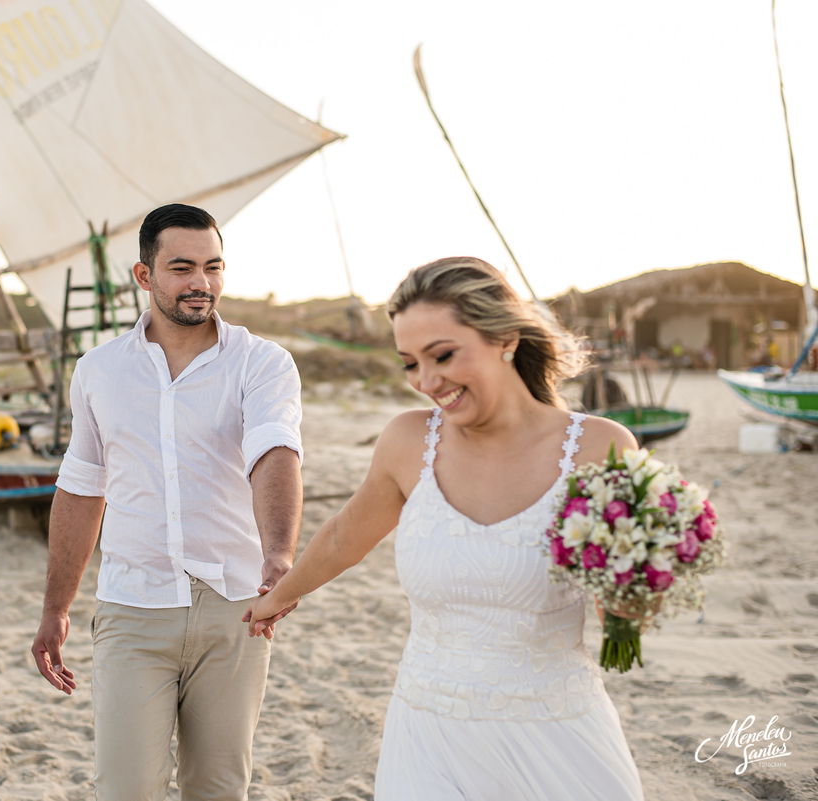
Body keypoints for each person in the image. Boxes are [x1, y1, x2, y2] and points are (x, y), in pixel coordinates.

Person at [246, 257, 645, 800]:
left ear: (505, 337)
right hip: (429, 733)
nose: (427, 382)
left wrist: (634, 602)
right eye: (410, 363)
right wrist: (276, 598)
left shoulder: (602, 448)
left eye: (443, 355)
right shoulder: (408, 442)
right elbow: (344, 537)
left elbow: (622, 606)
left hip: (557, 732)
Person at [32, 203, 304, 800]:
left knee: (218, 788)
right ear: (144, 275)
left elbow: (273, 451)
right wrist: (56, 607)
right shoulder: (98, 371)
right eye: (182, 267)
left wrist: (279, 554)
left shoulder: (262, 363)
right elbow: (81, 487)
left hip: (234, 606)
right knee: (125, 789)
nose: (200, 283)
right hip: (133, 605)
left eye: (213, 267)